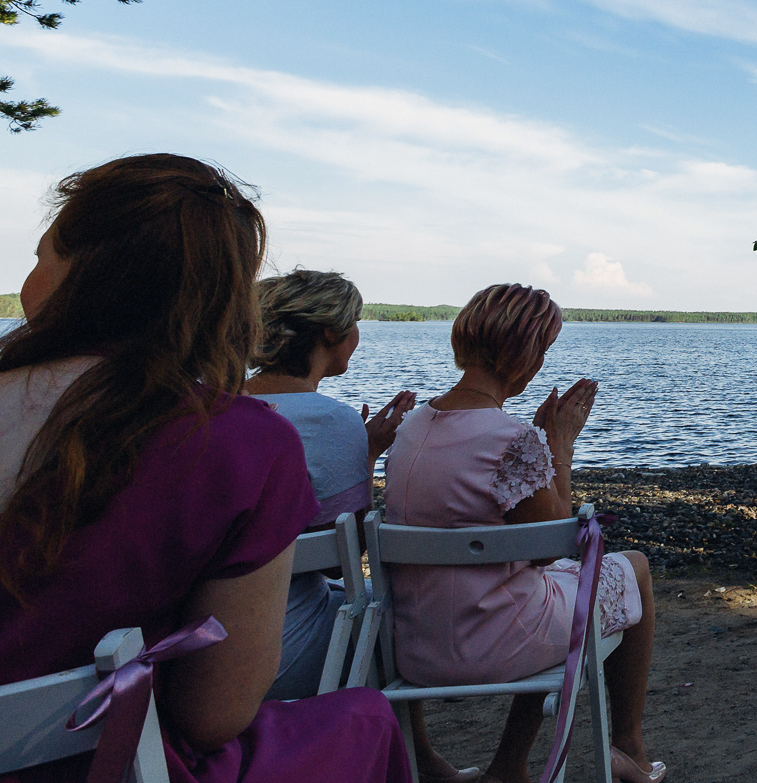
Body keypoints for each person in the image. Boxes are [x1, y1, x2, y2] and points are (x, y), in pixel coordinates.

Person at [0, 153, 408, 783]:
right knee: (364, 721)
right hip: (91, 762)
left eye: (38, 255)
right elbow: (213, 713)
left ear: (77, 271)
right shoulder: (239, 445)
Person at [381, 284, 664, 783]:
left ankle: (509, 767)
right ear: (528, 356)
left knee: (548, 588)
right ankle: (629, 747)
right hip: (492, 641)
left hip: (414, 641)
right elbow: (559, 541)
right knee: (633, 569)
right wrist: (560, 444)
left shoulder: (409, 428)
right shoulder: (512, 438)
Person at [243, 271, 417, 701]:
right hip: (280, 644)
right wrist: (367, 453)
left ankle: (424, 757)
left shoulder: (219, 402)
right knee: (399, 610)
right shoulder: (333, 421)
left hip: (202, 633)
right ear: (329, 332)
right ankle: (412, 756)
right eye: (355, 323)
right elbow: (338, 561)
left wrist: (364, 446)